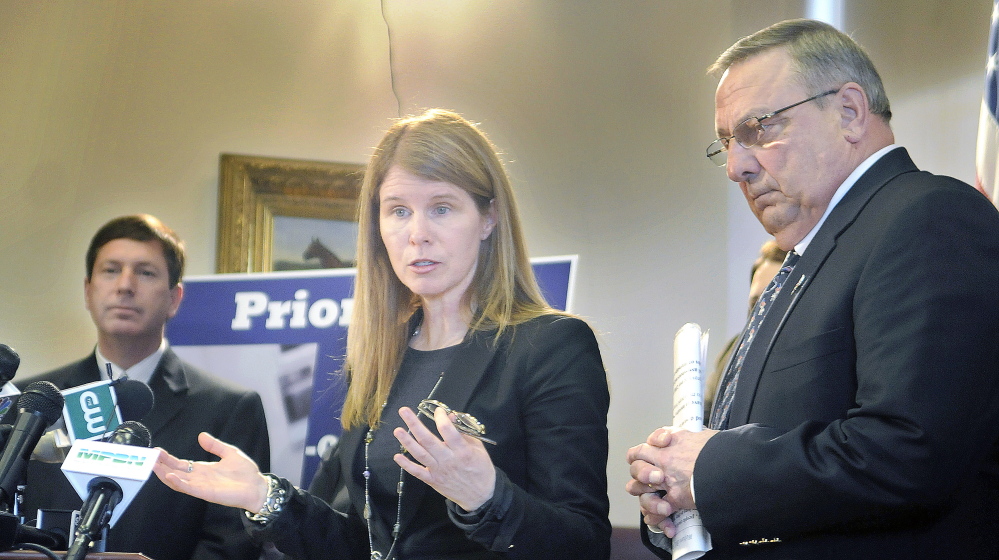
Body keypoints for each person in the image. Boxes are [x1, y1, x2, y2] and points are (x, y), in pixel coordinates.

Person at [152, 109, 612, 560]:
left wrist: (488, 497)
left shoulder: (553, 346)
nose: (417, 234)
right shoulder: (378, 355)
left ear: (489, 218)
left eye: (442, 208)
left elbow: (585, 544)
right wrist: (264, 496)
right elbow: (361, 543)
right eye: (398, 211)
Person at [627, 19, 999, 559]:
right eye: (727, 143)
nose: (736, 167)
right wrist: (680, 502)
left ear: (849, 111)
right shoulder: (811, 258)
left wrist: (710, 470)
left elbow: (908, 453)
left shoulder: (927, 217)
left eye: (758, 128)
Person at [17, 214, 270, 560]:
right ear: (88, 291)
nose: (125, 285)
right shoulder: (34, 401)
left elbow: (231, 543)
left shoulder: (229, 408)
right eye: (111, 270)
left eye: (145, 272)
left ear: (174, 298)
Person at [703, 240, 786, 414]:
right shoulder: (732, 352)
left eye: (775, 299)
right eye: (756, 301)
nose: (763, 310)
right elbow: (705, 417)